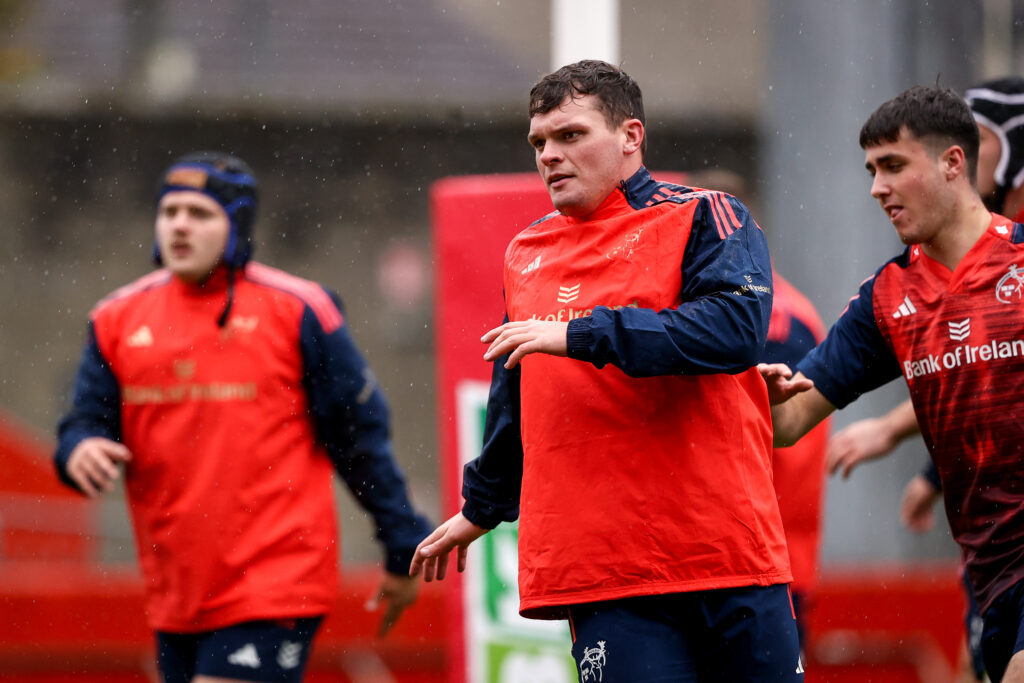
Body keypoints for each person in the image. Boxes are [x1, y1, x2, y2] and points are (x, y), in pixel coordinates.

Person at [409, 60, 803, 682]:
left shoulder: (707, 214)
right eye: (539, 142)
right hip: (606, 572)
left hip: (728, 553)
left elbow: (734, 331)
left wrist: (579, 333)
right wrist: (481, 507)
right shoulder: (526, 253)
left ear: (630, 137)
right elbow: (514, 394)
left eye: (571, 135)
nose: (550, 156)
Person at [53, 152, 432, 683]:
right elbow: (82, 423)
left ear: (236, 226)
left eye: (200, 213)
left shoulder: (300, 310)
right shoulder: (115, 318)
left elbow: (359, 439)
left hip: (275, 581)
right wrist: (79, 449)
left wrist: (402, 545)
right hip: (175, 590)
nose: (179, 224)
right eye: (170, 211)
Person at [760, 84, 1024, 682]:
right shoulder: (887, 299)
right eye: (871, 169)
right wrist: (754, 390)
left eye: (893, 166)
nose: (877, 187)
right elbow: (790, 421)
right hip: (988, 570)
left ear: (953, 163)